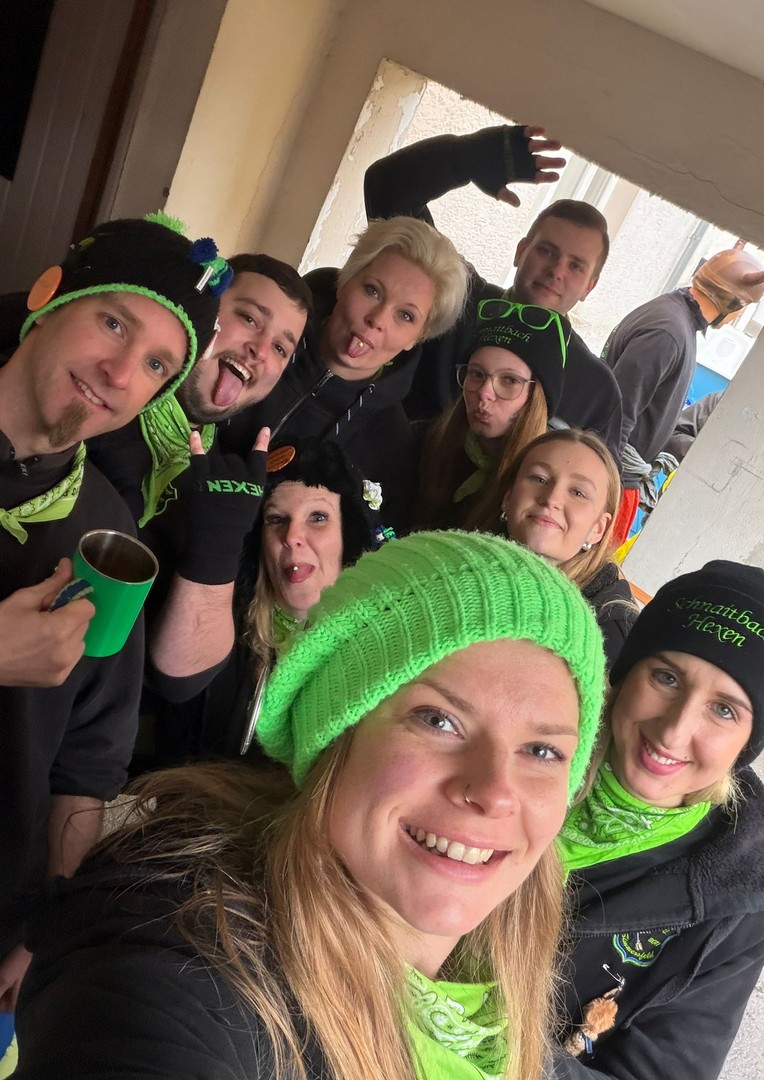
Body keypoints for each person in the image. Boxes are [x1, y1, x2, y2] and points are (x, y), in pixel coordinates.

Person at [16, 531, 607, 1080]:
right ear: (334, 733)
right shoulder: (177, 965)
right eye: (439, 720)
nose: (496, 791)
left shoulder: (493, 1007)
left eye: (542, 751)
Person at [0, 213, 224, 1008]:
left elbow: (88, 761)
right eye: (114, 323)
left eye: (157, 364)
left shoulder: (108, 537)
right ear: (50, 293)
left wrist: (47, 926)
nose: (121, 372)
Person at [553, 560, 764, 1079]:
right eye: (666, 678)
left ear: (748, 744)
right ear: (625, 676)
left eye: (724, 710)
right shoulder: (524, 751)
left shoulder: (738, 912)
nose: (674, 731)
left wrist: (485, 1044)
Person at [364, 124, 623, 459]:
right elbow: (387, 187)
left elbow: (595, 482)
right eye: (546, 251)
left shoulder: (596, 390)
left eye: (576, 266)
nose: (556, 271)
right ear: (520, 252)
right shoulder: (456, 296)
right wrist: (463, 158)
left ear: (590, 286)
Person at [220, 216, 469, 534]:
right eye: (372, 291)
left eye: (405, 315)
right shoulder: (256, 341)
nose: (377, 319)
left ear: (418, 337)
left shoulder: (392, 447)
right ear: (345, 280)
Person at [148, 438, 374, 762]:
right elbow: (174, 679)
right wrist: (214, 540)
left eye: (317, 517)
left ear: (347, 538)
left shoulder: (379, 644)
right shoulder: (227, 619)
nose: (292, 537)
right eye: (276, 520)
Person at [86, 253, 313, 525]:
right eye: (249, 319)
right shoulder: (97, 397)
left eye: (280, 348)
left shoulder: (222, 483)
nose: (261, 351)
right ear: (204, 308)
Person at [602, 249, 764, 485]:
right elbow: (616, 414)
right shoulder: (668, 332)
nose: (739, 316)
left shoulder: (673, 317)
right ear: (733, 302)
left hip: (620, 472)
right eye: (745, 307)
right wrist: (605, 483)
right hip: (612, 474)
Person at [476, 428, 636, 663]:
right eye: (539, 479)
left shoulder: (610, 632)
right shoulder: (455, 558)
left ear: (598, 528)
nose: (551, 499)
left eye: (578, 493)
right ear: (508, 498)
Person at [417, 299, 569, 528]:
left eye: (510, 380)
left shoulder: (547, 491)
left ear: (536, 397)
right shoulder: (423, 443)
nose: (484, 392)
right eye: (476, 374)